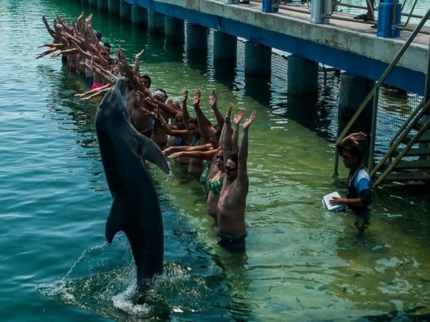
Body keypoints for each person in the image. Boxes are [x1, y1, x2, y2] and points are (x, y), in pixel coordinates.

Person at [217, 106, 257, 253]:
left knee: (235, 271)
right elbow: (227, 148)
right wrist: (232, 125)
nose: (226, 170)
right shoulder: (227, 179)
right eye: (226, 168)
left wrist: (245, 131)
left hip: (235, 237)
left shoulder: (240, 184)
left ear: (238, 171)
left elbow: (242, 158)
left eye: (230, 169)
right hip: (221, 232)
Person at [329, 132, 372, 235]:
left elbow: (365, 200)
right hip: (351, 211)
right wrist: (349, 137)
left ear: (355, 158)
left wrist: (342, 200)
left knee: (359, 237)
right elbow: (339, 147)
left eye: (346, 157)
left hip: (360, 215)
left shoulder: (362, 178)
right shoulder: (354, 168)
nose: (343, 160)